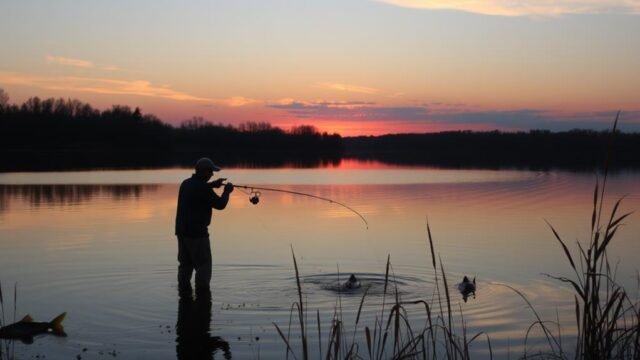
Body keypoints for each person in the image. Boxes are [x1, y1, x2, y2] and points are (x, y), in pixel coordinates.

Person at [175, 157, 234, 295]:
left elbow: (198, 189)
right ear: (203, 171)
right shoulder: (202, 188)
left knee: (185, 265)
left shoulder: (186, 184)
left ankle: (183, 293)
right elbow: (220, 204)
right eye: (210, 172)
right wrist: (227, 192)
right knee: (203, 266)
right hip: (197, 234)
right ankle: (202, 295)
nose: (212, 175)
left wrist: (212, 185)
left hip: (182, 232)